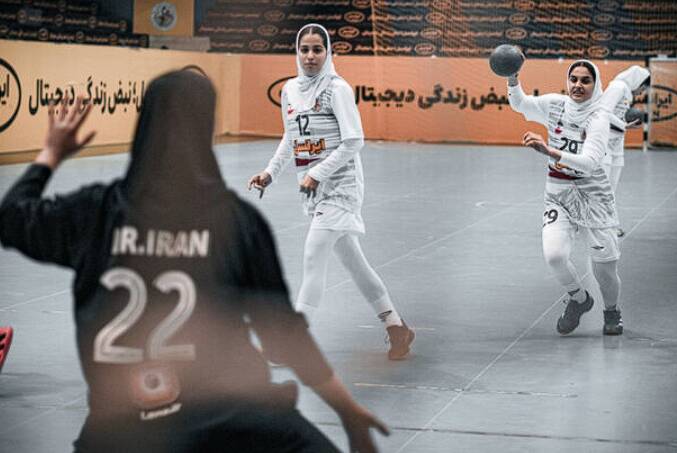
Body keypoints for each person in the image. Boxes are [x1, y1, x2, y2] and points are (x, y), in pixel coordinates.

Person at [0, 69, 389, 452]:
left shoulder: (96, 212)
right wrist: (348, 411)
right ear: (205, 130)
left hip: (119, 434)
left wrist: (51, 153)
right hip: (231, 421)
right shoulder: (235, 222)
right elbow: (286, 335)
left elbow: (11, 219)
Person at [247, 24, 415, 360]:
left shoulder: (337, 89)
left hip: (341, 187)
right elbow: (291, 137)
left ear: (328, 52)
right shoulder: (289, 90)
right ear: (297, 52)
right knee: (355, 264)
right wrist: (270, 173)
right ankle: (396, 327)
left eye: (317, 49)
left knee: (313, 255)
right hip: (313, 191)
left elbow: (354, 141)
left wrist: (318, 173)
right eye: (304, 49)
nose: (310, 56)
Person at [506, 59, 625, 336]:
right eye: (574, 79)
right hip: (558, 193)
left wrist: (550, 152)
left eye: (585, 80)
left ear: (595, 85)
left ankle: (612, 311)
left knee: (604, 271)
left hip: (593, 197)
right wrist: (512, 78)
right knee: (555, 256)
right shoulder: (555, 105)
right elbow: (520, 104)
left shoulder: (598, 118)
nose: (578, 85)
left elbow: (591, 163)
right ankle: (579, 299)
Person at [600, 66, 651, 237]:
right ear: (637, 81)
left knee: (611, 188)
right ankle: (604, 226)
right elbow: (602, 111)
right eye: (643, 87)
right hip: (604, 142)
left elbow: (618, 116)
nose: (642, 92)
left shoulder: (627, 93)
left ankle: (608, 224)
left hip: (616, 144)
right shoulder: (617, 87)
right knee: (603, 187)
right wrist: (623, 124)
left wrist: (623, 125)